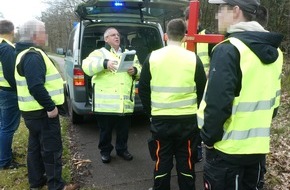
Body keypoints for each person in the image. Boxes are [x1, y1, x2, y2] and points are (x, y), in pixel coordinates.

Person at [197, 0, 284, 189]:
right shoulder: (275, 51)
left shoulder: (229, 49)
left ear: (236, 11)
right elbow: (274, 106)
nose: (216, 15)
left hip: (226, 151)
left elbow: (217, 105)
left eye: (220, 9)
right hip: (257, 149)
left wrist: (209, 139)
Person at [139, 18, 206, 190]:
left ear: (165, 36)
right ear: (184, 36)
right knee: (186, 161)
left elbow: (143, 89)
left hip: (161, 120)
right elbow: (202, 90)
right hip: (187, 121)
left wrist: (151, 113)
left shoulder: (152, 57)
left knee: (163, 159)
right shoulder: (193, 58)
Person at [14, 19, 79, 190]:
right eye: (44, 31)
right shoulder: (33, 55)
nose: (47, 34)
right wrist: (50, 107)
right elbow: (35, 86)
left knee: (35, 148)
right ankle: (56, 185)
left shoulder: (24, 53)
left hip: (32, 113)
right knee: (51, 149)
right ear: (35, 35)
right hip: (43, 113)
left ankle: (36, 182)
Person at [82, 27, 141, 164]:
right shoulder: (99, 53)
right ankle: (105, 152)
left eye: (118, 35)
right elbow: (86, 67)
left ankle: (122, 150)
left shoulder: (129, 54)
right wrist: (104, 63)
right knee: (105, 131)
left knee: (123, 130)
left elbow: (141, 70)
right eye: (112, 35)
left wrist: (135, 70)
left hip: (124, 102)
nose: (116, 37)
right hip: (105, 103)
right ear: (106, 39)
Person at [0, 20, 21, 170]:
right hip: (8, 92)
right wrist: (18, 89)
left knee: (2, 126)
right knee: (8, 127)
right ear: (12, 31)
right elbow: (10, 74)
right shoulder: (6, 48)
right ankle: (5, 161)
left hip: (1, 90)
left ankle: (4, 154)